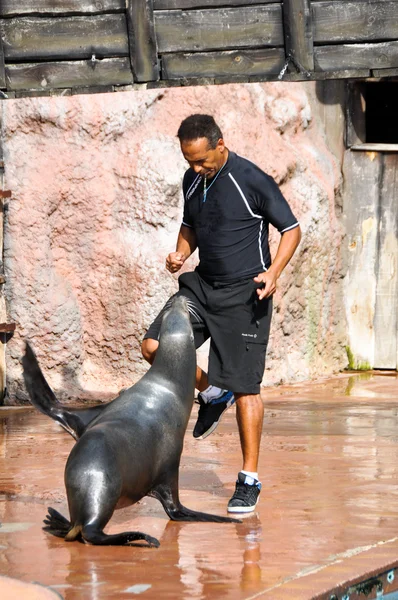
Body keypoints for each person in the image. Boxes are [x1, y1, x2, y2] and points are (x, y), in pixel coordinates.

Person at [142, 114, 301, 513]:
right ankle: (212, 391)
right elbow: (190, 225)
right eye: (188, 160)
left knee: (247, 388)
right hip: (202, 286)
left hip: (245, 294)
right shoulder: (192, 179)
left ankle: (249, 479)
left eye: (201, 160)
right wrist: (181, 252)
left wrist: (274, 272)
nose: (195, 168)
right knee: (153, 346)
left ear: (220, 145)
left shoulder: (251, 179)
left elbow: (292, 228)